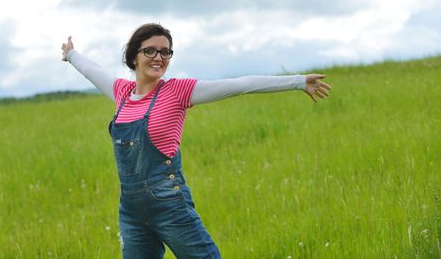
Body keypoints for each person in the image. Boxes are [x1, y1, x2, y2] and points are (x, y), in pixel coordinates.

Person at [61, 23, 331, 259]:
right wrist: (71, 54)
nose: (159, 57)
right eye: (151, 50)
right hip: (131, 211)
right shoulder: (121, 92)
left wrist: (297, 81)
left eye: (166, 51)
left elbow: (240, 85)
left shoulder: (178, 91)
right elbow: (91, 70)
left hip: (170, 205)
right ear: (134, 55)